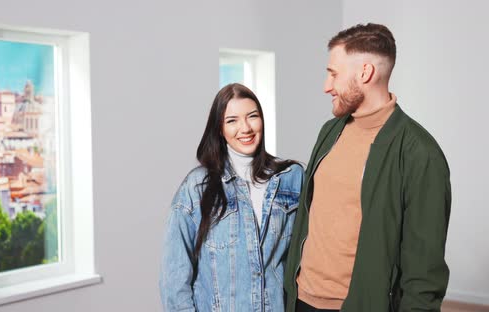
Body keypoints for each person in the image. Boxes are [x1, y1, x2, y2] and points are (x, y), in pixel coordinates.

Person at [284, 23, 451, 312]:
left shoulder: (420, 153)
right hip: (301, 300)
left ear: (364, 73)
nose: (326, 86)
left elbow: (424, 272)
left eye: (334, 74)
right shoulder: (330, 131)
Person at [160, 83, 304, 311]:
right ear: (219, 129)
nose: (245, 128)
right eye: (232, 120)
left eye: (252, 116)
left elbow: (305, 259)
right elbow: (174, 279)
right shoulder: (197, 187)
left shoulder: (291, 178)